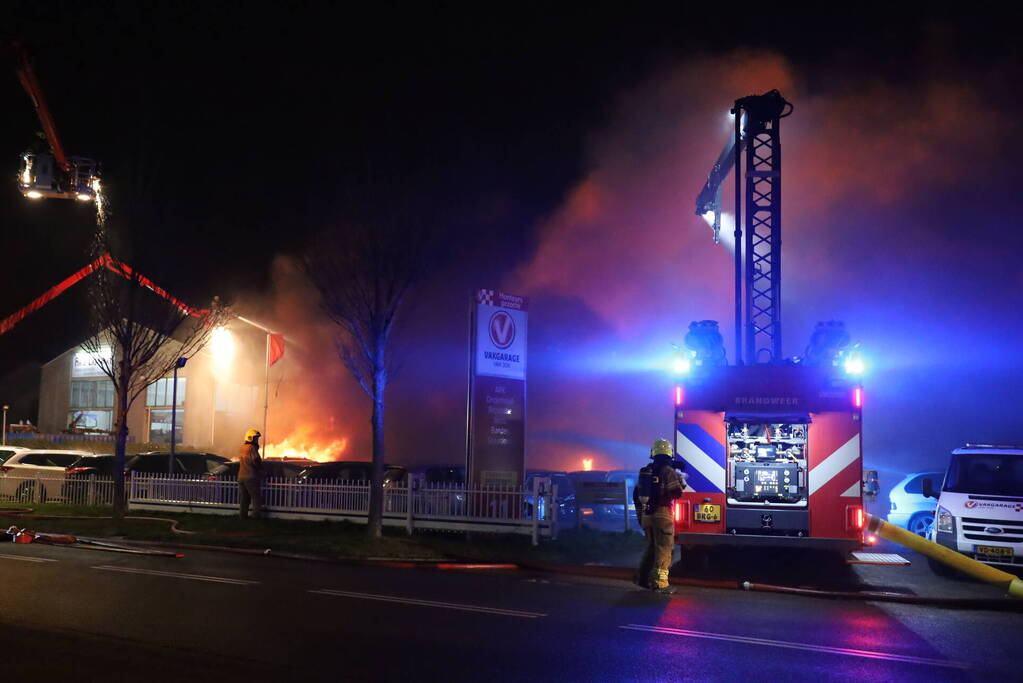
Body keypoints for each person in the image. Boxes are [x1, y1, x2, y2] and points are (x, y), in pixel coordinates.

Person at [634, 438, 684, 594]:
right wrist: (680, 479)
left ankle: (642, 578)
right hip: (663, 514)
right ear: (669, 454)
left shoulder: (647, 471)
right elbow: (676, 492)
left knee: (651, 547)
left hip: (647, 514)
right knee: (664, 548)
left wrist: (641, 515)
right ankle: (660, 583)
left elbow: (636, 494)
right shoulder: (668, 471)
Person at [238, 428, 264, 519]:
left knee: (244, 499)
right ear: (250, 438)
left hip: (241, 477)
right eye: (256, 438)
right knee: (256, 498)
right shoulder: (252, 448)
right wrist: (261, 469)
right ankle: (256, 517)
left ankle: (242, 517)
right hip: (251, 477)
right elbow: (256, 461)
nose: (257, 440)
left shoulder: (242, 448)